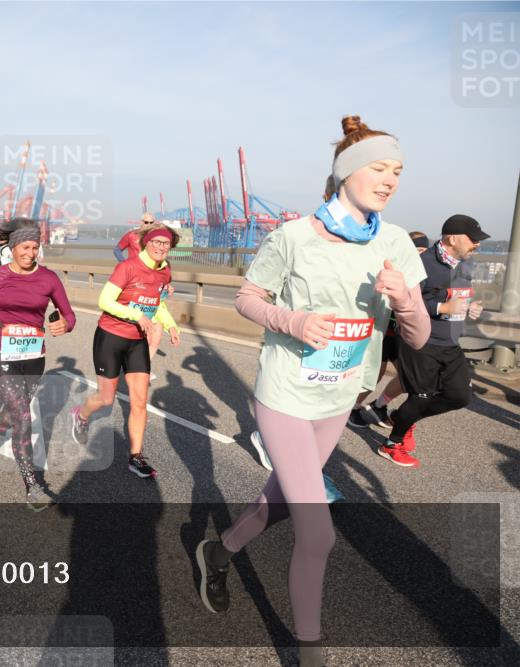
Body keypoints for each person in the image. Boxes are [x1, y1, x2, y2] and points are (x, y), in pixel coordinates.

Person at [194, 116, 430, 667]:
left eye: (397, 170)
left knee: (279, 500)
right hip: (283, 395)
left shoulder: (395, 242)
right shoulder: (292, 236)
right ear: (346, 172)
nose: (390, 179)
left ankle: (219, 551)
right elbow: (248, 299)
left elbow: (417, 336)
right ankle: (310, 651)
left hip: (339, 396)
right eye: (379, 167)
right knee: (317, 530)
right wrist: (293, 322)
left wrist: (406, 302)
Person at [0, 220, 75, 511]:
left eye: (35, 247)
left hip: (33, 355)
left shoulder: (49, 279)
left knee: (13, 414)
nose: (30, 253)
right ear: (12, 248)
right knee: (23, 416)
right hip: (0, 352)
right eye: (25, 247)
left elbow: (68, 315)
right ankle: (32, 485)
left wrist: (64, 326)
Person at [69, 223, 182, 479]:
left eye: (166, 244)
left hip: (137, 341)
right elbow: (105, 301)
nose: (161, 248)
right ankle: (81, 415)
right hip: (110, 337)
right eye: (157, 242)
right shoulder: (127, 267)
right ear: (146, 243)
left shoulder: (165, 272)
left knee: (140, 402)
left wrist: (170, 325)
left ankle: (135, 457)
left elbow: (156, 304)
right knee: (106, 399)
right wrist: (135, 314)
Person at [378, 215, 488, 468]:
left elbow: (457, 296)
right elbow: (404, 301)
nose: (477, 245)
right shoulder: (423, 263)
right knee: (422, 396)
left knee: (460, 396)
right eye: (473, 240)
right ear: (452, 238)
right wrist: (443, 306)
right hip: (422, 341)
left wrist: (470, 307)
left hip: (450, 343)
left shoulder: (466, 265)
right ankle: (392, 444)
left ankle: (402, 417)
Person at [346, 230, 430, 430]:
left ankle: (379, 405)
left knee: (406, 376)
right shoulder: (393, 266)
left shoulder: (423, 272)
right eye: (416, 249)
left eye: (423, 251)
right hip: (383, 330)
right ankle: (352, 407)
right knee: (374, 373)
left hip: (402, 333)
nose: (419, 255)